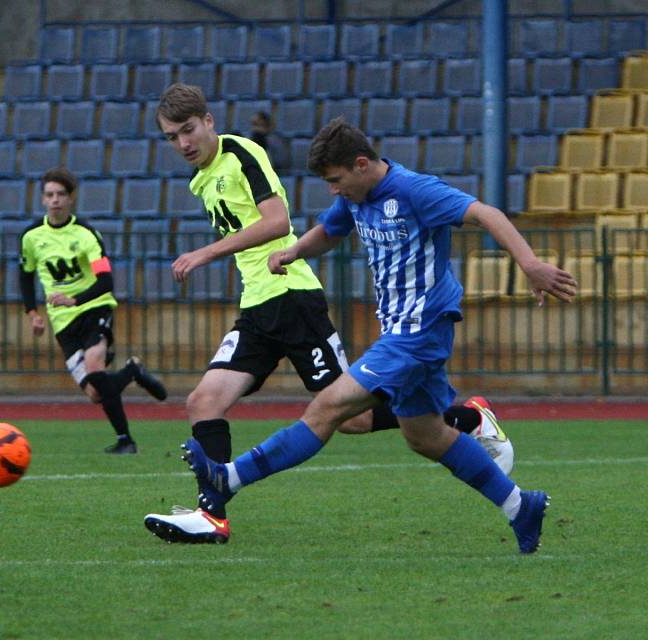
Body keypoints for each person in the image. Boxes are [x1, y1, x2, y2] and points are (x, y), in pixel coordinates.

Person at [163, 118, 577, 553]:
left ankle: (229, 478)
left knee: (328, 407)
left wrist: (529, 263)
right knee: (425, 435)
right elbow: (329, 230)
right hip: (400, 330)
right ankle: (520, 506)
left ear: (362, 165)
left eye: (337, 180)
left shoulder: (416, 190)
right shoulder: (355, 197)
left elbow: (484, 213)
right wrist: (294, 250)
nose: (334, 190)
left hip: (420, 331)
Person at [19, 167, 168, 454]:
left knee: (95, 365)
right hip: (63, 323)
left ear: (71, 198)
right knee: (95, 391)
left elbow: (106, 281)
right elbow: (25, 274)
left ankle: (126, 441)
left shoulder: (87, 234)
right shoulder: (31, 237)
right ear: (42, 199)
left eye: (61, 194)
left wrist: (75, 300)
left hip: (94, 308)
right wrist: (32, 313)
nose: (55, 200)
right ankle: (132, 371)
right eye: (49, 195)